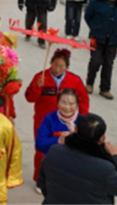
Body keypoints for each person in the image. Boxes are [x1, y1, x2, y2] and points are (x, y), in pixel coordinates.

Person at [37, 113, 117, 204]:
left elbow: (42, 182)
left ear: (75, 129)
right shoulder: (105, 168)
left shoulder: (54, 151)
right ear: (102, 139)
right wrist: (116, 157)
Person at [25, 49, 90, 183]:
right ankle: (40, 179)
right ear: (50, 63)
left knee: (65, 151)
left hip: (66, 122)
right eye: (55, 65)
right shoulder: (40, 77)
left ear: (67, 67)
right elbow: (29, 98)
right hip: (43, 121)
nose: (58, 69)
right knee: (42, 150)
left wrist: (81, 120)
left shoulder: (75, 80)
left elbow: (84, 100)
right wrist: (37, 87)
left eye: (62, 66)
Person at [85, 0, 117, 100]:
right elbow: (88, 17)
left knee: (108, 64)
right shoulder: (96, 2)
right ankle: (89, 83)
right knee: (95, 61)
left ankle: (105, 89)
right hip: (96, 38)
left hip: (113, 39)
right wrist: (95, 28)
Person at [34, 89, 83, 193]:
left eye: (71, 104)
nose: (67, 107)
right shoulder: (49, 119)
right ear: (57, 103)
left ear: (77, 104)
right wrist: (58, 140)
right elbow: (40, 144)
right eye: (63, 102)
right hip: (54, 165)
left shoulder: (82, 121)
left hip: (76, 169)